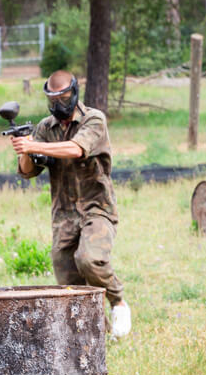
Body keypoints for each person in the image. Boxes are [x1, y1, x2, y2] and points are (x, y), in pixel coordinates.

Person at [11, 70, 132, 337]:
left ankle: (118, 302)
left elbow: (75, 149)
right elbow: (29, 172)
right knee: (68, 283)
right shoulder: (45, 128)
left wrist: (33, 146)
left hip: (96, 209)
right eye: (53, 99)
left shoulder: (94, 120)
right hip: (64, 215)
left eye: (64, 96)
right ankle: (97, 334)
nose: (59, 104)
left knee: (89, 259)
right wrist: (24, 148)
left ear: (74, 92)